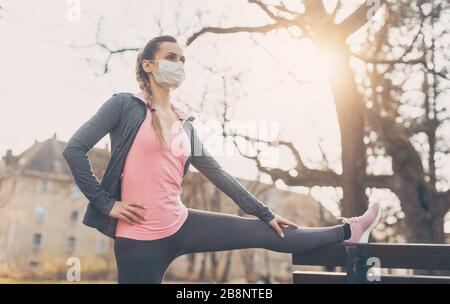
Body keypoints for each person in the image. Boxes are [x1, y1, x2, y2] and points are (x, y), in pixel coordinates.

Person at [62, 35, 383, 284]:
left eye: (183, 59)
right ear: (149, 65)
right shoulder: (124, 106)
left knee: (270, 232)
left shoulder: (184, 123)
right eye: (171, 58)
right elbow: (74, 149)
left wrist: (264, 212)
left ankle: (348, 231)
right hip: (138, 239)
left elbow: (217, 173)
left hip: (182, 224)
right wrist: (107, 204)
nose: (179, 64)